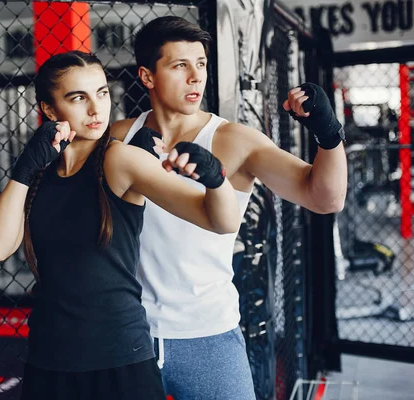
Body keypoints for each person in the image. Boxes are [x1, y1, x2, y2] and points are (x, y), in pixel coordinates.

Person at [111, 16, 347, 400]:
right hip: (127, 333)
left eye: (201, 63)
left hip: (206, 336)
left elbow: (325, 198)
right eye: (180, 65)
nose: (195, 77)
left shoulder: (234, 141)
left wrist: (328, 134)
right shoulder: (119, 138)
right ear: (147, 76)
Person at [0, 50, 241, 400]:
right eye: (78, 98)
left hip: (118, 357)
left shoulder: (119, 159)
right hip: (49, 357)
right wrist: (25, 170)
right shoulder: (41, 171)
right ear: (49, 109)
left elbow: (220, 220)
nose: (96, 109)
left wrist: (215, 178)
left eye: (102, 93)